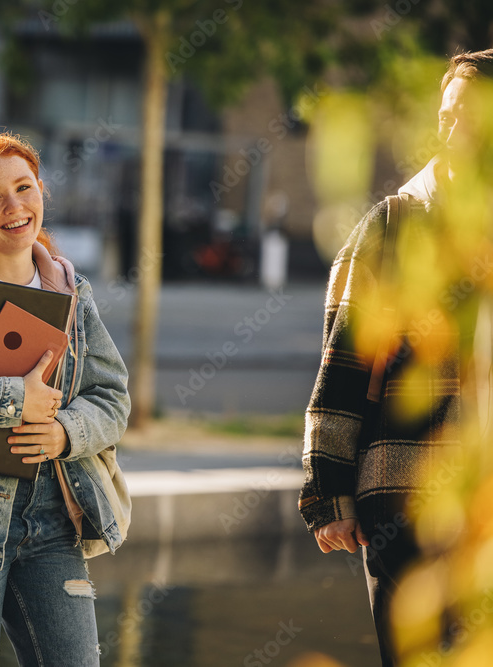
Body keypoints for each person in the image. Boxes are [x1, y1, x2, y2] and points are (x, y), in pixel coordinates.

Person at [300, 49, 493, 666]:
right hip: (402, 497)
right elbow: (345, 359)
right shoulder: (394, 225)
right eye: (446, 113)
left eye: (470, 114)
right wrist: (329, 492)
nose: (452, 126)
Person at [0, 132, 131, 666]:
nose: (14, 206)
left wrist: (63, 432)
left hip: (54, 524)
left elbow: (112, 397)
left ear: (41, 191)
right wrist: (14, 401)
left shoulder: (69, 288)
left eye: (24, 187)